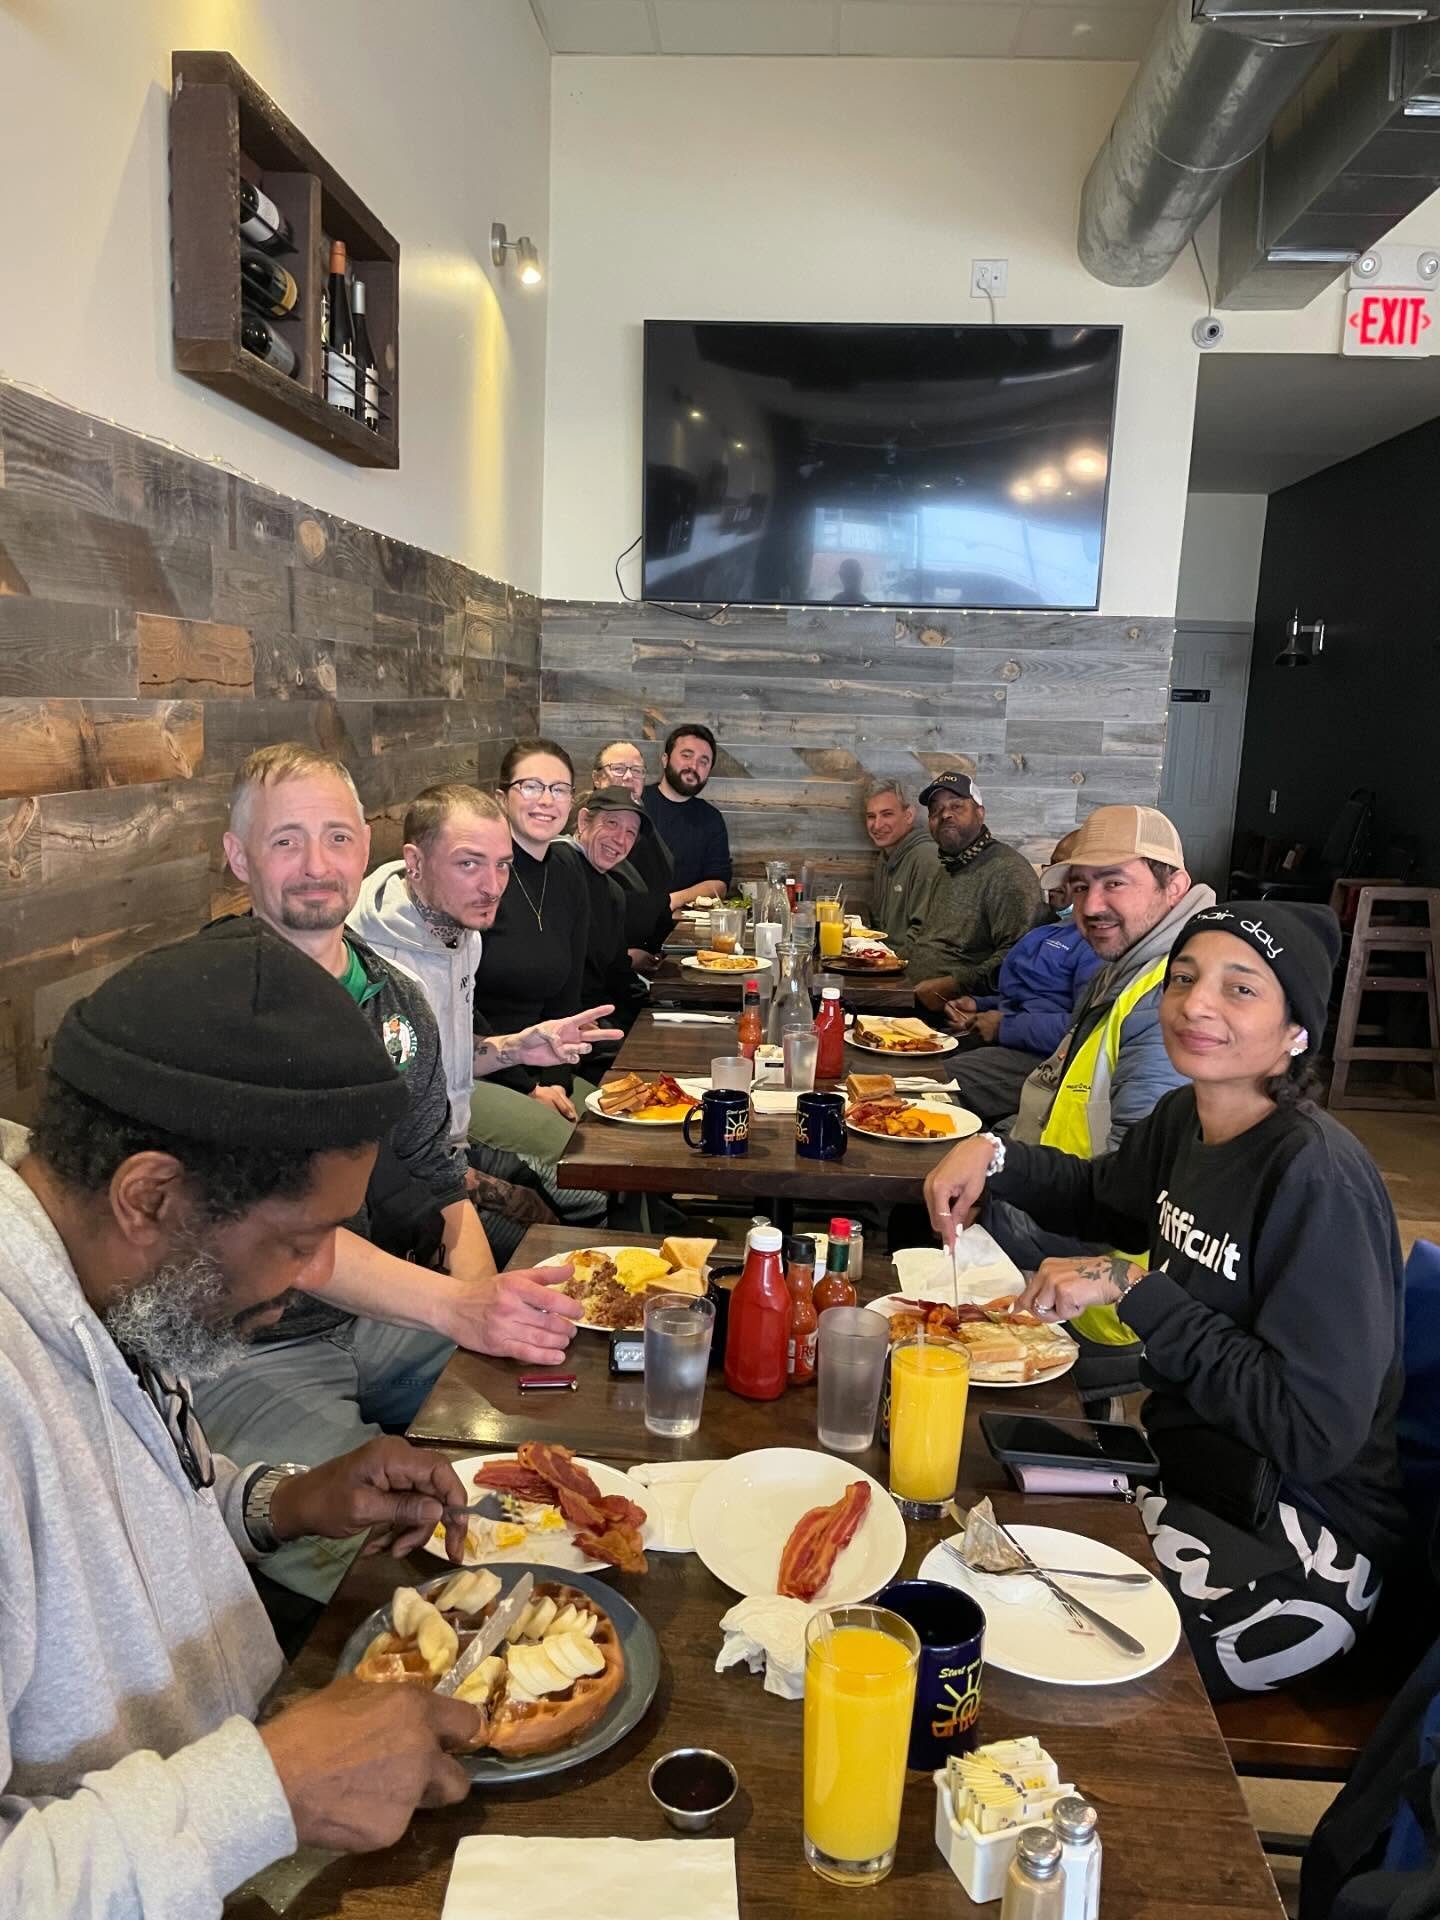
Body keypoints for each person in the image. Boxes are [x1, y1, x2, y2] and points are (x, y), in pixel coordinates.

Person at [0, 920, 485, 1913]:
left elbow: (136, 1512)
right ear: (151, 1195)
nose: (318, 1275)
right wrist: (272, 1788)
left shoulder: (104, 1280)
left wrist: (287, 1502)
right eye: (301, 1239)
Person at [926, 902, 1405, 1701]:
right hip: (1192, 1479)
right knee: (965, 1560)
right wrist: (992, 1152)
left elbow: (1313, 1432)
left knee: (1018, 1661)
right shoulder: (1188, 1118)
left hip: (1307, 1538)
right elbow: (1104, 1199)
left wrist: (1137, 1290)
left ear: (1297, 1031)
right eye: (1184, 978)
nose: (1196, 1005)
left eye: (1241, 989)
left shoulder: (1315, 1178)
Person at [198, 747, 583, 1597]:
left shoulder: (395, 999)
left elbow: (428, 1172)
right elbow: (279, 1236)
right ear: (238, 858)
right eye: (285, 841)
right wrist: (456, 1305)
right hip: (246, 1347)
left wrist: (483, 1306)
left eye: (336, 838)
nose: (317, 865)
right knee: (401, 1566)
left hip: (376, 1321)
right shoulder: (208, 1001)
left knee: (553, 1396)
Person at [974, 804, 1216, 1346]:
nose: (1092, 905)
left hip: (1107, 1283)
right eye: (1080, 887)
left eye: (1114, 883)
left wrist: (1002, 1171)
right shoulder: (1129, 965)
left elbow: (1136, 1190)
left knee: (926, 1236)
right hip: (1079, 1207)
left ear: (1174, 887)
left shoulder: (1166, 995)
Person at [347, 781, 616, 1240]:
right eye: (469, 864)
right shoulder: (369, 960)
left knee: (596, 1197)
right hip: (395, 1182)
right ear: (415, 862)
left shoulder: (460, 932)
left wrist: (515, 1049)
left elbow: (447, 1057)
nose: (492, 887)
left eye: (503, 866)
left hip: (455, 1144)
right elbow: (378, 1137)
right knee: (554, 1238)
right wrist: (481, 1189)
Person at [468, 739, 593, 1143]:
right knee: (588, 1156)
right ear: (501, 797)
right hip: (483, 1070)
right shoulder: (478, 876)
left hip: (548, 1065)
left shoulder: (568, 872)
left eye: (559, 789)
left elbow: (568, 995)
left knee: (634, 1130)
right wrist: (529, 1087)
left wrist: (558, 1078)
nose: (546, 800)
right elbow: (459, 1003)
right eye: (531, 786)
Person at [938, 831, 1102, 1126]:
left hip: (1045, 1058)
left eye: (1068, 873)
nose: (1053, 879)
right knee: (915, 1056)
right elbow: (1022, 997)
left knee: (932, 1081)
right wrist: (978, 1004)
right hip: (1005, 1036)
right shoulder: (1048, 928)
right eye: (1051, 867)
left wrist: (1004, 1027)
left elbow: (1084, 1029)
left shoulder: (1097, 942)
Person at [906, 771, 1043, 1006]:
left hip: (960, 1013)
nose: (945, 814)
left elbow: (1020, 956)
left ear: (980, 813)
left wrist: (953, 985)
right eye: (935, 810)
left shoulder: (1007, 871)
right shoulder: (948, 867)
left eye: (957, 806)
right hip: (913, 997)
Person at [566, 788, 652, 1053]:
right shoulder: (558, 866)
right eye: (612, 823)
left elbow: (618, 972)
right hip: (568, 1025)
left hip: (603, 1015)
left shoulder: (612, 892)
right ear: (583, 822)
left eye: (630, 833)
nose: (620, 839)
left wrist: (657, 1003)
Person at [591, 738, 675, 970]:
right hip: (604, 967)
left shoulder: (645, 825)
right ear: (597, 779)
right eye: (618, 769)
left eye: (637, 771)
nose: (629, 777)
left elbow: (660, 894)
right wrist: (624, 956)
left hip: (649, 958)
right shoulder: (588, 832)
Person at [641, 723, 732, 909]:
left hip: (684, 926)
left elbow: (719, 884)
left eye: (703, 761)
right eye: (686, 755)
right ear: (665, 759)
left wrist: (673, 900)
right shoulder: (636, 804)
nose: (693, 766)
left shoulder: (711, 819)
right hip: (629, 922)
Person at [863, 776, 943, 955]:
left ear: (909, 815)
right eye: (871, 816)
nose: (877, 825)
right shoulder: (885, 857)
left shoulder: (926, 858)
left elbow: (924, 935)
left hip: (909, 971)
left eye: (887, 814)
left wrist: (887, 965)